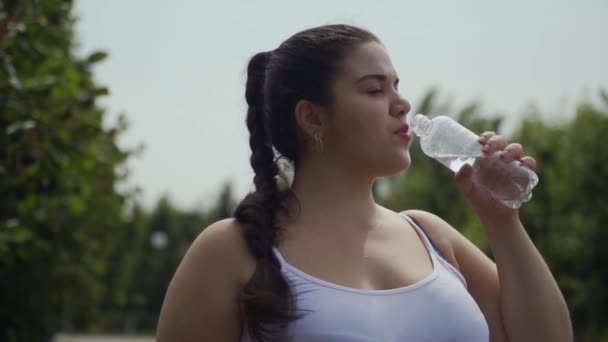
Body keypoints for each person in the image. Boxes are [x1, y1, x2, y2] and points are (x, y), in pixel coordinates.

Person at [156, 24, 572, 342]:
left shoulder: (431, 236)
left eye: (396, 85)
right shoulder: (231, 249)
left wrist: (501, 219)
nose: (402, 103)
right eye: (375, 89)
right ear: (312, 117)